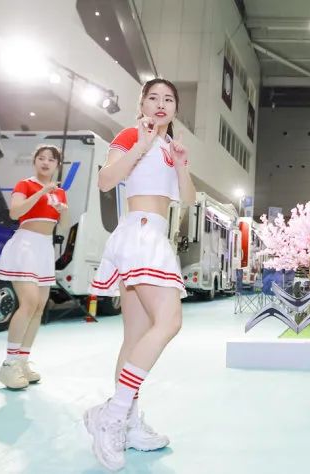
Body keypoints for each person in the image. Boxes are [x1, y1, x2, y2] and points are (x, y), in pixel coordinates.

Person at [83, 78, 196, 471]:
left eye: (169, 99)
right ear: (142, 104)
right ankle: (113, 416)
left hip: (156, 236)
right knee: (170, 321)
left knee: (135, 338)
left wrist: (180, 164)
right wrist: (140, 146)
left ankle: (128, 422)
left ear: (175, 108)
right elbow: (105, 180)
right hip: (140, 232)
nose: (161, 104)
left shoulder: (170, 146)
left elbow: (188, 198)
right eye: (154, 98)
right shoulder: (132, 134)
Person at [0, 146, 67, 390]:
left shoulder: (60, 193)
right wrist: (42, 192)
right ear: (34, 161)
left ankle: (23, 361)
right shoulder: (25, 185)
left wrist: (63, 212)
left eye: (51, 159)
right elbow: (15, 212)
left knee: (38, 307)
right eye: (41, 158)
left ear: (57, 164)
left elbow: (61, 225)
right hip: (25, 245)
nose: (46, 162)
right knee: (28, 303)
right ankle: (9, 364)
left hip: (44, 248)